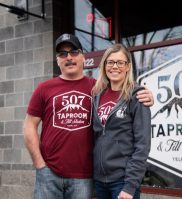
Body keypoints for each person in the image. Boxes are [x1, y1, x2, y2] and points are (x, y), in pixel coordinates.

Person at [23, 34, 153, 199]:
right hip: (50, 173)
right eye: (62, 54)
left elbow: (141, 141)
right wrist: (40, 165)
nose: (69, 57)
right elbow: (29, 126)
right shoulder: (45, 88)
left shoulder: (95, 88)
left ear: (83, 57)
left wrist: (146, 95)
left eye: (74, 52)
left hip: (85, 177)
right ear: (57, 60)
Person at [92, 44, 151, 199]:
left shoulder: (137, 97)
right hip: (99, 180)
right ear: (104, 66)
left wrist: (130, 186)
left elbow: (142, 145)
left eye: (120, 62)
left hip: (122, 181)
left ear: (128, 67)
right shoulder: (97, 96)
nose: (115, 67)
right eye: (110, 62)